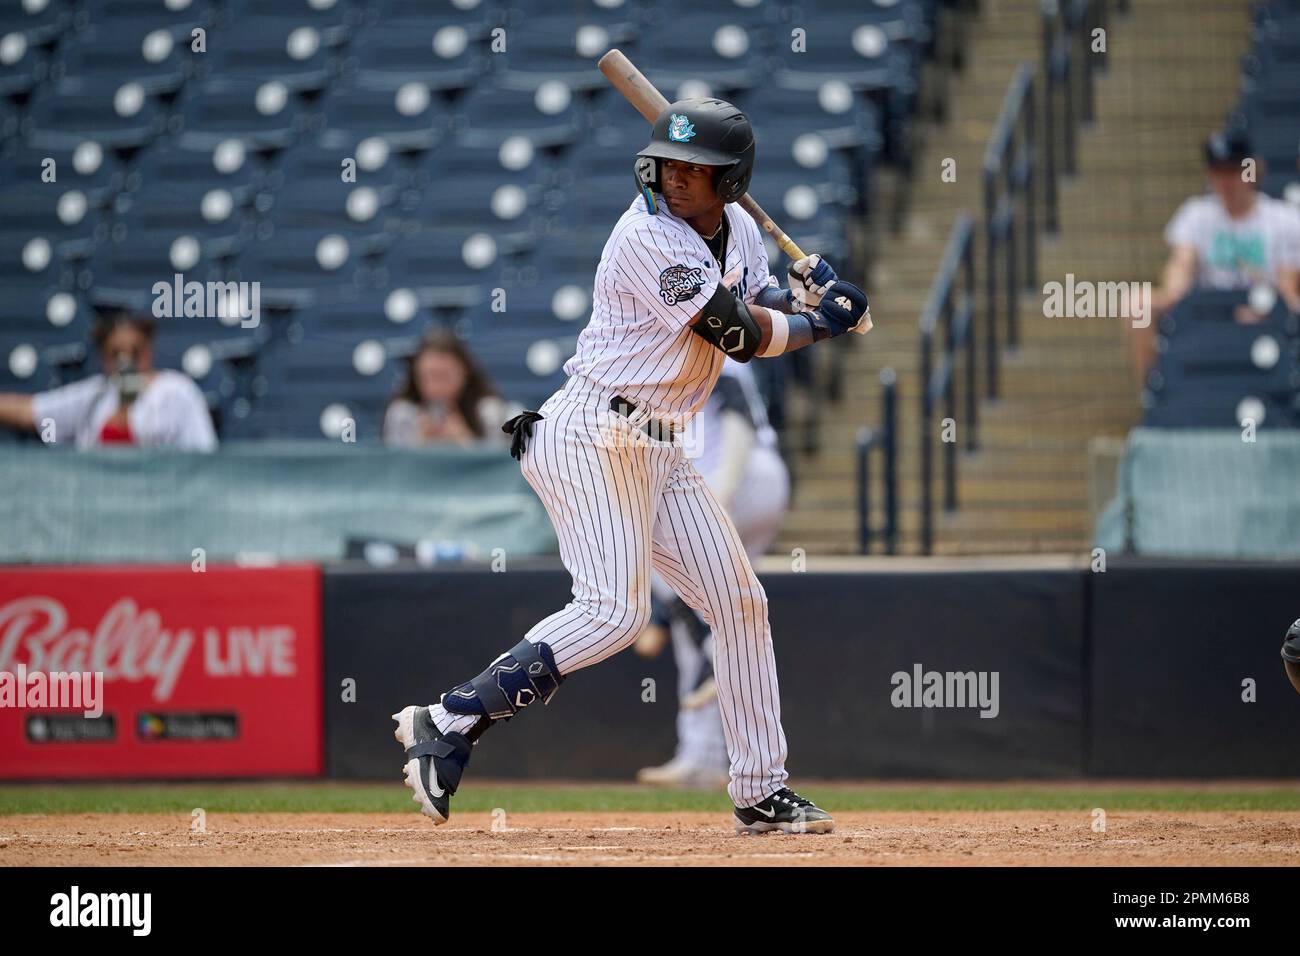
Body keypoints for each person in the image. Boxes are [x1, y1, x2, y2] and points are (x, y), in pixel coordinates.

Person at [391, 97, 871, 835]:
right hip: (592, 433)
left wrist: (807, 293)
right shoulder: (645, 234)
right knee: (615, 614)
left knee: (741, 605)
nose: (677, 179)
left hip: (662, 445)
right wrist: (819, 324)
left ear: (731, 182)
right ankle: (450, 718)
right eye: (671, 164)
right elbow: (737, 333)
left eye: (696, 170)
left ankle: (759, 788)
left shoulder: (739, 226)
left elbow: (751, 293)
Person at [634, 357, 791, 789]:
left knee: (669, 567)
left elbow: (738, 412)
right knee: (727, 606)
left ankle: (701, 753)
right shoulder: (672, 352)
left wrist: (725, 486)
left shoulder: (697, 340)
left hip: (740, 478)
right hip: (749, 481)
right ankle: (720, 756)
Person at [1127, 130, 1300, 384]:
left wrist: (1267, 307)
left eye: (1232, 171)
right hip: (1207, 314)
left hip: (1264, 313)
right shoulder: (1195, 214)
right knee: (1135, 304)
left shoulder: (1283, 218)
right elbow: (1180, 268)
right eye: (1218, 172)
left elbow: (1288, 288)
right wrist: (1175, 290)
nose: (1225, 182)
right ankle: (1155, 395)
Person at [0, 312, 217, 451]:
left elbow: (203, 459)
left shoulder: (177, 392)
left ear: (148, 351)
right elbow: (30, 412)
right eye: (115, 354)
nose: (125, 361)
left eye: (134, 352)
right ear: (103, 358)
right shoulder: (95, 395)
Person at [382, 328, 514, 446]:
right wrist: (419, 443)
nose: (435, 387)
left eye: (444, 377)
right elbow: (394, 467)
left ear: (465, 372)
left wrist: (465, 442)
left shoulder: (488, 411)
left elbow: (497, 467)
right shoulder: (401, 413)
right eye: (426, 378)